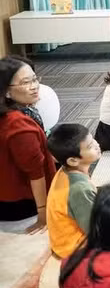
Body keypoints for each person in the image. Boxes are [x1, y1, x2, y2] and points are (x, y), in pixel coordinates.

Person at [0, 56, 55, 232]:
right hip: (22, 203)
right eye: (26, 82)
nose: (35, 86)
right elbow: (36, 173)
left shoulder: (14, 113)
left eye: (34, 79)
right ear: (6, 91)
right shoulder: (19, 125)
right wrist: (43, 213)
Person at [45, 124, 101, 258]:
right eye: (89, 146)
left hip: (64, 242)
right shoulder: (80, 189)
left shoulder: (64, 171)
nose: (96, 144)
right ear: (73, 160)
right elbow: (95, 231)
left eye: (93, 140)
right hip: (73, 249)